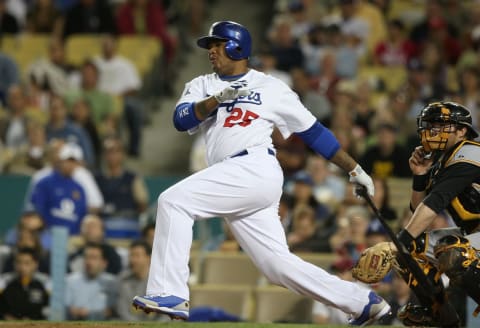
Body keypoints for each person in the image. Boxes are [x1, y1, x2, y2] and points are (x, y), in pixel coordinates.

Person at [132, 21, 390, 325]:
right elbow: (181, 120)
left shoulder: (271, 87)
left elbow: (314, 133)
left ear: (236, 46)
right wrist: (215, 100)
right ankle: (362, 302)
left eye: (217, 44)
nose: (211, 51)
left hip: (253, 166)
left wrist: (354, 168)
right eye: (210, 46)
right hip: (233, 175)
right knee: (276, 266)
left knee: (173, 201)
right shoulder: (202, 84)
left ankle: (168, 292)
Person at [377, 101, 480, 326]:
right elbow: (418, 215)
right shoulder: (442, 161)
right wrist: (420, 175)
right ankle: (443, 317)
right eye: (430, 124)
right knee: (409, 251)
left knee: (453, 252)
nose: (432, 130)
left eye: (440, 125)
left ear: (462, 130)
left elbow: (434, 204)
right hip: (474, 232)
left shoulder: (471, 152)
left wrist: (398, 242)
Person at [65, 242, 118, 320]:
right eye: (86, 257)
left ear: (104, 263)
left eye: (94, 258)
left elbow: (112, 310)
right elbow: (66, 308)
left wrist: (90, 314)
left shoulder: (112, 282)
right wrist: (74, 311)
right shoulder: (70, 280)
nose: (88, 262)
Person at [0, 247, 50, 320]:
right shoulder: (7, 286)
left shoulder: (42, 286)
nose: (22, 267)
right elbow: (2, 311)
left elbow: (46, 311)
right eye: (19, 262)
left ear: (35, 264)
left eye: (27, 263)